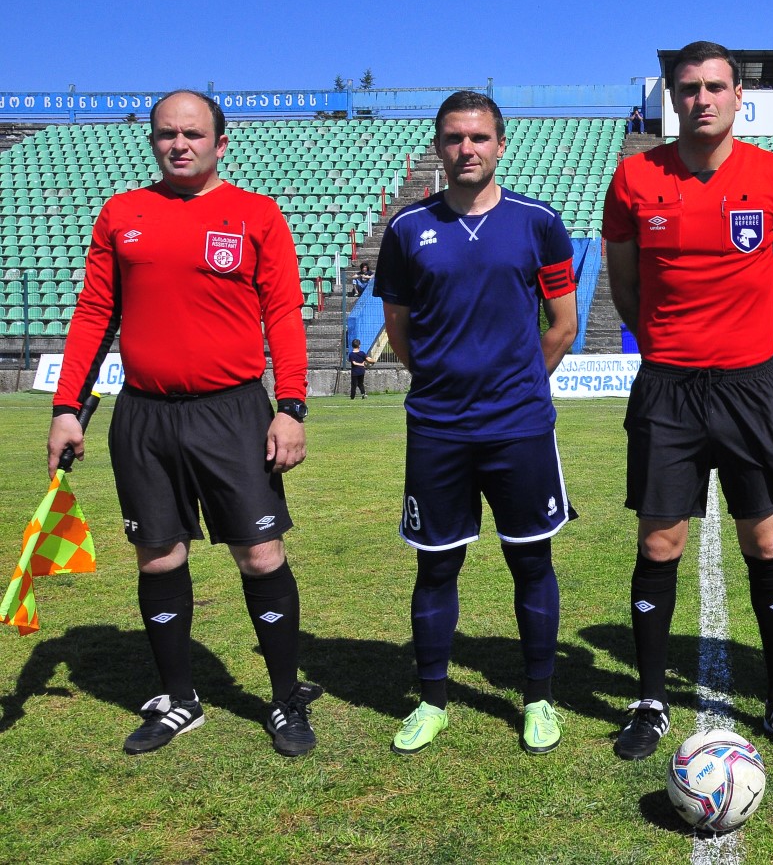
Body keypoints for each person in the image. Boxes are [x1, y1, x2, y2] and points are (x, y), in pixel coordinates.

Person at [47, 90, 318, 757]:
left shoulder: (256, 214)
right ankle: (180, 700)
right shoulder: (122, 214)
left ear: (220, 143)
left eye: (193, 133)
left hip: (232, 412)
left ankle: (284, 698)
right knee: (159, 554)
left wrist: (290, 407)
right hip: (143, 413)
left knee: (260, 554)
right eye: (167, 133)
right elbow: (94, 314)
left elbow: (283, 315)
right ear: (153, 141)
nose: (179, 144)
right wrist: (65, 409)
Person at [603, 41, 773, 761]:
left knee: (766, 539)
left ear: (737, 97)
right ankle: (649, 700)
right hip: (667, 387)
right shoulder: (635, 176)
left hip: (750, 386)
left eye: (716, 87)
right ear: (673, 97)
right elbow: (626, 286)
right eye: (690, 88)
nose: (703, 99)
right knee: (659, 543)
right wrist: (666, 346)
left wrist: (754, 349)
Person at [375, 91, 579, 755]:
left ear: (500, 145)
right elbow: (398, 328)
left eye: (479, 137)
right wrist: (443, 380)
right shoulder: (408, 229)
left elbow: (563, 324)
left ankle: (539, 699)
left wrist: (516, 384)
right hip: (438, 428)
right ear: (439, 146)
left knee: (532, 560)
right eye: (455, 138)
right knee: (436, 566)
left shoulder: (538, 222)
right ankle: (431, 701)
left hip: (520, 425)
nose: (467, 149)